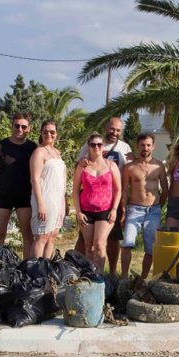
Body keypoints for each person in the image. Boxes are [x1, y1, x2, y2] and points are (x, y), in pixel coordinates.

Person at [74, 117, 132, 275]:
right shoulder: (88, 151)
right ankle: (83, 273)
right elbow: (77, 172)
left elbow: (129, 171)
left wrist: (120, 205)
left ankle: (109, 274)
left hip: (110, 203)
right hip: (88, 204)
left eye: (118, 130)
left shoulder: (124, 148)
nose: (115, 132)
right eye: (112, 129)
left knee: (109, 241)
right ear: (106, 127)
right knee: (86, 243)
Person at [0, 112, 37, 259]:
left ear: (29, 128)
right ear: (11, 126)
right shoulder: (0, 146)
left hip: (25, 197)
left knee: (28, 236)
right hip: (3, 196)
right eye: (17, 126)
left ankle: (27, 269)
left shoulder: (33, 148)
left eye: (24, 126)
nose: (20, 129)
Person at [120, 132, 169, 278]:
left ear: (153, 147)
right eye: (142, 145)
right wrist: (123, 210)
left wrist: (159, 205)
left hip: (153, 210)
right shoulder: (130, 167)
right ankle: (123, 277)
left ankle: (143, 277)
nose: (145, 148)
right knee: (127, 242)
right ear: (137, 146)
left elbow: (165, 189)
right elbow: (124, 190)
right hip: (134, 209)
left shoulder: (159, 166)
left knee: (150, 247)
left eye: (148, 145)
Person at [72, 133, 122, 271]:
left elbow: (118, 189)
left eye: (99, 144)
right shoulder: (82, 166)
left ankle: (99, 277)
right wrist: (78, 212)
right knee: (89, 247)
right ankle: (90, 276)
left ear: (103, 146)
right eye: (93, 144)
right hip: (86, 210)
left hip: (105, 210)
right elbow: (75, 190)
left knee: (100, 245)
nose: (96, 147)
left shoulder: (111, 166)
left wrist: (114, 209)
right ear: (88, 146)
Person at [28, 120, 66, 259]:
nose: (48, 134)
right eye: (45, 131)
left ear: (56, 134)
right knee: (42, 237)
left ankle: (45, 269)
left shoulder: (57, 152)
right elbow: (35, 180)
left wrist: (64, 203)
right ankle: (34, 271)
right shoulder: (39, 152)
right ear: (41, 133)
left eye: (52, 132)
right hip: (45, 199)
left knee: (52, 236)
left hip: (58, 200)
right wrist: (41, 205)